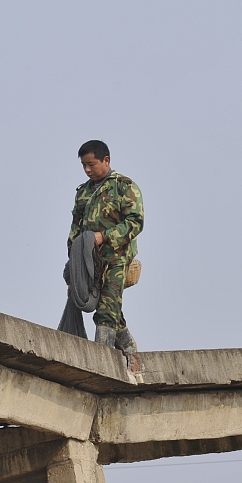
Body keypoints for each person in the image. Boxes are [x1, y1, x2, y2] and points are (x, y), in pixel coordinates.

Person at [67, 139, 144, 352]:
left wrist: (105, 237)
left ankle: (102, 358)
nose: (87, 169)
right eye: (84, 165)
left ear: (106, 160)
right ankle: (129, 349)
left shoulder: (124, 186)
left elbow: (135, 222)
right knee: (106, 305)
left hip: (117, 257)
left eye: (91, 164)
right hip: (88, 259)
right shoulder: (83, 192)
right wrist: (73, 274)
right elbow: (75, 231)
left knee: (107, 309)